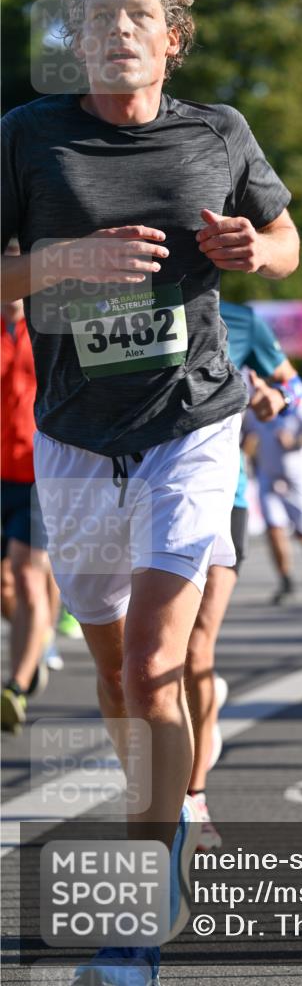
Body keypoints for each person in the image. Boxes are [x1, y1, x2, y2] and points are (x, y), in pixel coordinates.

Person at [1, 0, 298, 981]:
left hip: (193, 422)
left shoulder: (219, 131)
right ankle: (163, 828)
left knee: (162, 664)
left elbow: (284, 236)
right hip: (75, 435)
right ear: (74, 43)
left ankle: (139, 909)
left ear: (171, 38)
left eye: (137, 14)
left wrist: (261, 249)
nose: (116, 30)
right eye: (96, 18)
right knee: (118, 675)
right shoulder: (27, 136)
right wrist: (58, 261)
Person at [184, 299, 302, 850]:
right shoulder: (126, 303)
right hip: (136, 495)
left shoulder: (243, 321)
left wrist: (273, 396)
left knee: (193, 650)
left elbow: (295, 389)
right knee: (138, 661)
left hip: (220, 496)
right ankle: (193, 717)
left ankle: (193, 797)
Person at [0, 265, 54, 732]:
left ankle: (15, 686)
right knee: (6, 586)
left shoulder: (50, 321)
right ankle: (33, 645)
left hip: (39, 474)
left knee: (27, 574)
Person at [244, 388, 302, 604]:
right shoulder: (255, 401)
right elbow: (247, 435)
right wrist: (248, 448)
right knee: (273, 528)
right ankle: (285, 577)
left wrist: (296, 441)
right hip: (268, 475)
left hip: (298, 478)